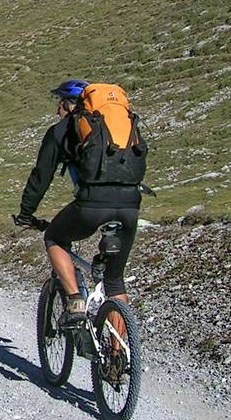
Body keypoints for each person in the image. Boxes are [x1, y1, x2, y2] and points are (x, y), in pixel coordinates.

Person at [14, 79, 142, 330]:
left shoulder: (60, 131)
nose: (57, 111)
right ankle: (119, 359)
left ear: (70, 105)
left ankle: (74, 301)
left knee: (54, 237)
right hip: (130, 205)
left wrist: (26, 213)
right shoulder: (116, 127)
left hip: (92, 205)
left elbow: (42, 176)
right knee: (114, 281)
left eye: (60, 104)